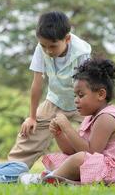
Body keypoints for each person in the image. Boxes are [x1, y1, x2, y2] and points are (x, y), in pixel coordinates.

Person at [38, 58, 115, 185]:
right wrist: (59, 134)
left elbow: (90, 153)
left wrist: (68, 128)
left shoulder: (106, 118)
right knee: (68, 159)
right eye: (75, 96)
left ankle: (45, 179)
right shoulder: (90, 118)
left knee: (80, 160)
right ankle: (68, 182)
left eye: (81, 95)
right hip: (100, 168)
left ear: (101, 94)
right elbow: (73, 151)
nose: (76, 100)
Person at [8, 11, 91, 169]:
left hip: (82, 101)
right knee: (30, 131)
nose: (48, 51)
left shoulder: (82, 53)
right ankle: (11, 170)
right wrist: (32, 117)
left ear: (67, 39)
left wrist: (90, 114)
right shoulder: (41, 48)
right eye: (44, 46)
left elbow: (88, 87)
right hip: (56, 99)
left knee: (94, 136)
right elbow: (37, 83)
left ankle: (92, 168)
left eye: (53, 46)